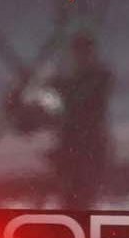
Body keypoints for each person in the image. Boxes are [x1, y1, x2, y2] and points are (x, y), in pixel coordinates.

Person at [47, 33, 113, 208]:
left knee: (83, 195)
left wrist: (57, 87)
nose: (81, 57)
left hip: (89, 148)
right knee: (70, 197)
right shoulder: (69, 82)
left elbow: (79, 97)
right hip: (71, 149)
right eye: (78, 53)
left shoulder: (100, 77)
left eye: (85, 52)